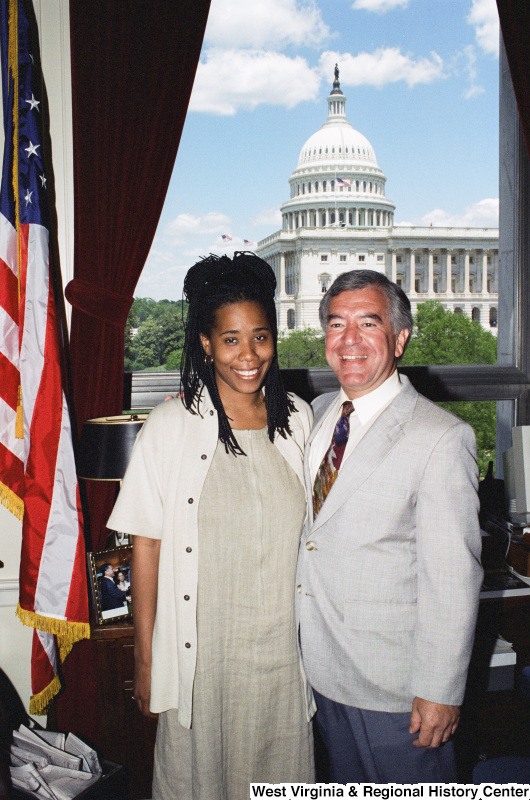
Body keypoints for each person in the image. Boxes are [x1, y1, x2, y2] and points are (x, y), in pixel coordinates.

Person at [107, 253, 315, 800]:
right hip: (201, 663)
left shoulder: (299, 419)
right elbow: (145, 547)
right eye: (230, 339)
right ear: (205, 342)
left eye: (261, 337)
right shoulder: (170, 426)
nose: (248, 355)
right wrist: (146, 659)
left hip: (280, 661)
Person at [296, 269, 483, 784]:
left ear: (399, 339)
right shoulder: (317, 414)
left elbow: (452, 579)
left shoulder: (441, 437)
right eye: (336, 325)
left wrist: (441, 688)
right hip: (320, 671)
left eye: (368, 324)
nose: (349, 340)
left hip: (398, 688)